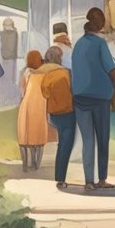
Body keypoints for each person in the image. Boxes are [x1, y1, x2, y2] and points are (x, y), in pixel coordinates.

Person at [71, 8, 115, 190]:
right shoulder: (100, 44)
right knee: (102, 138)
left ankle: (88, 180)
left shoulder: (78, 45)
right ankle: (102, 179)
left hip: (80, 97)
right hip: (100, 97)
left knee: (88, 140)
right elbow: (113, 70)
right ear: (100, 26)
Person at [34, 47, 75, 188]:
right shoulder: (67, 73)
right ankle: (60, 178)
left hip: (53, 115)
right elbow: (73, 90)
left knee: (61, 144)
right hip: (68, 112)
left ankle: (59, 177)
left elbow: (45, 94)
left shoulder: (47, 76)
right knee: (65, 145)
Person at [16, 50, 48, 171]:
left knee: (24, 137)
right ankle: (36, 164)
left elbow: (22, 90)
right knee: (38, 138)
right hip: (40, 106)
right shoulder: (45, 73)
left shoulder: (26, 72)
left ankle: (25, 165)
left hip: (27, 105)